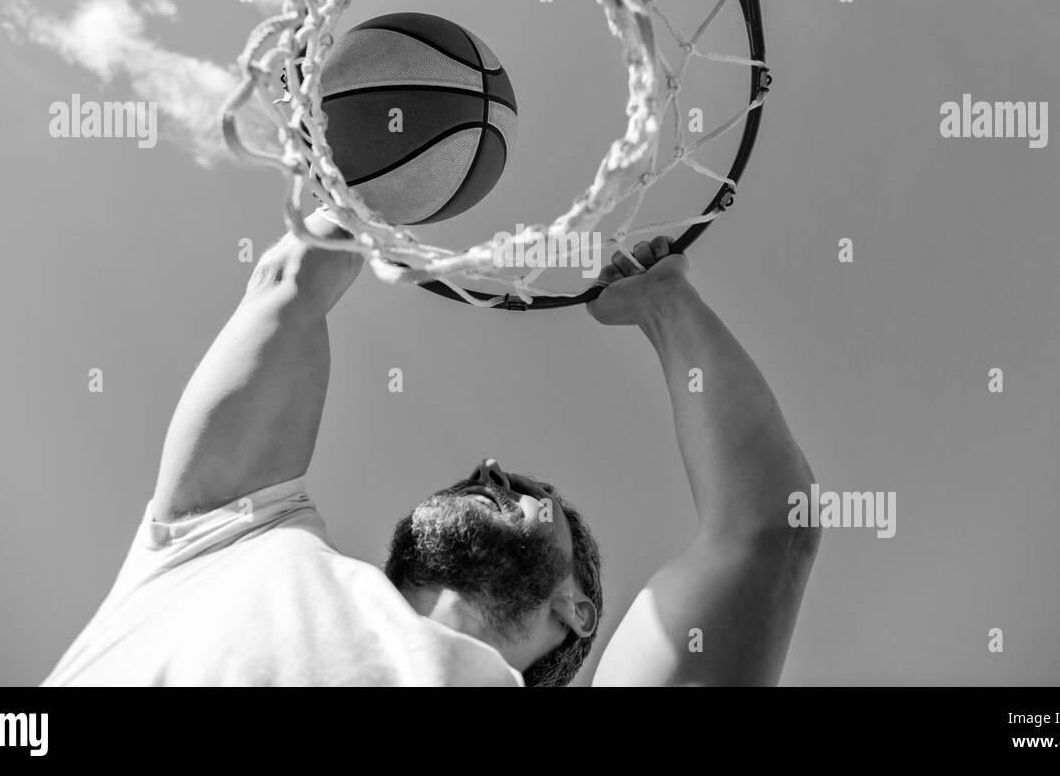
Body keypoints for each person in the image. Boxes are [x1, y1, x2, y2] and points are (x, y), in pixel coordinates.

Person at [44, 212, 819, 686]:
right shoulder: (227, 536)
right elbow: (289, 282)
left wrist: (664, 301)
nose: (486, 469)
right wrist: (375, 181)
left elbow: (768, 529)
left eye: (522, 488)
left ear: (579, 610)